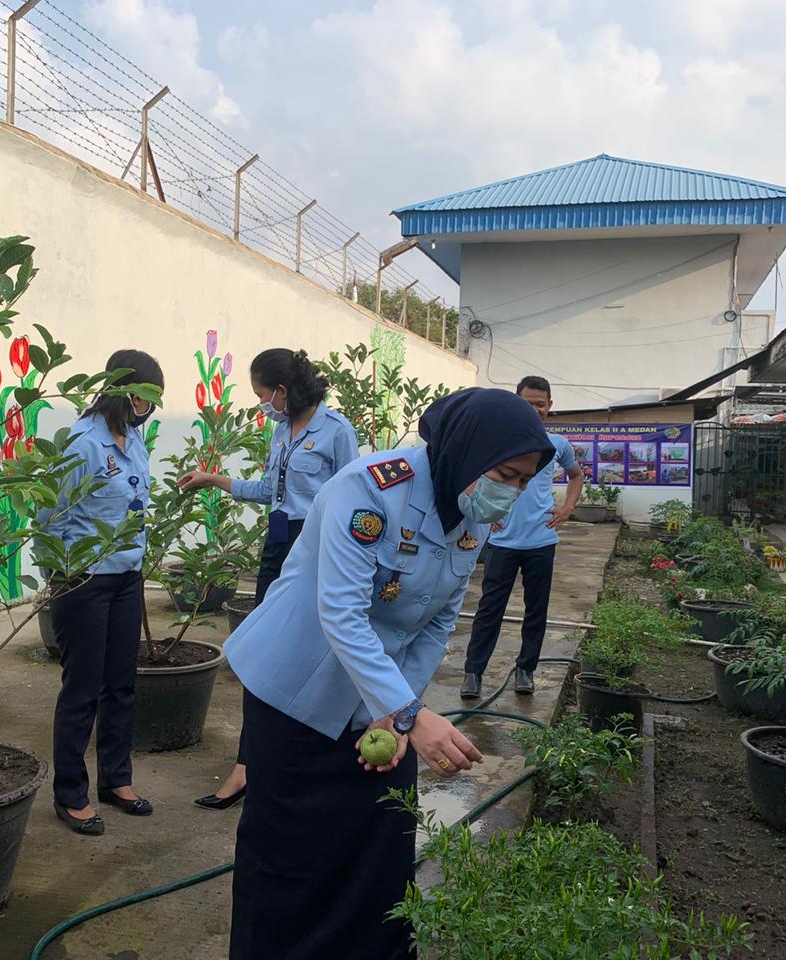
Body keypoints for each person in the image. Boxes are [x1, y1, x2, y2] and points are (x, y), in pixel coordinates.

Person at [224, 387, 555, 960]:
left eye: (525, 480)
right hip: (296, 692)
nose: (512, 491)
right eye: (506, 473)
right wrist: (408, 712)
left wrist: (403, 711)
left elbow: (437, 622)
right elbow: (342, 614)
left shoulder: (471, 512)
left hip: (381, 705)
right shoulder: (372, 489)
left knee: (381, 843)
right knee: (289, 853)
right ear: (467, 449)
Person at [178, 348, 359, 810]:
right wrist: (213, 479)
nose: (262, 404)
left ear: (282, 390)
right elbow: (268, 491)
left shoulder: (336, 432)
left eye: (262, 394)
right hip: (279, 541)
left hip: (319, 546)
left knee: (317, 649)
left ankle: (300, 759)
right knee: (263, 649)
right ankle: (246, 766)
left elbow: (354, 501)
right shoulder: (280, 430)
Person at [37, 349, 163, 837]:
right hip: (85, 580)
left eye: (154, 399)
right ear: (121, 389)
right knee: (82, 689)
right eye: (143, 395)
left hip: (127, 577)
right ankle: (70, 793)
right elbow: (52, 516)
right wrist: (59, 577)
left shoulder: (133, 439)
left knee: (121, 684)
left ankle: (117, 779)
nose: (147, 406)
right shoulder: (81, 443)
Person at [460, 375, 584, 700]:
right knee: (489, 609)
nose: (534, 409)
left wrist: (567, 508)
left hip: (541, 540)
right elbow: (468, 473)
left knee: (536, 609)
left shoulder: (558, 445)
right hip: (502, 541)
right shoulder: (498, 440)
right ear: (516, 402)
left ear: (549, 406)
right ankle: (473, 673)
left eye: (539, 404)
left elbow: (576, 476)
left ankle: (526, 670)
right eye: (527, 403)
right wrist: (483, 516)